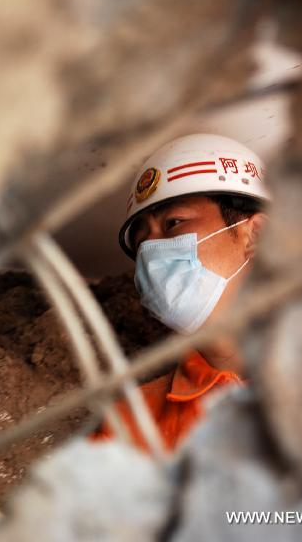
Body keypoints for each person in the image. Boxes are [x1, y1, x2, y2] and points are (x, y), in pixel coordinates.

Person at [91, 133, 270, 451]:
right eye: (142, 243)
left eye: (173, 223)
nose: (152, 250)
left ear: (254, 234)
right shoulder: (131, 423)